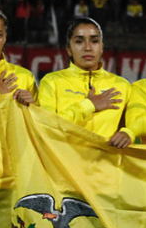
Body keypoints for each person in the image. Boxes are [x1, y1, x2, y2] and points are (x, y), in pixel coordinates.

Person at [37, 17, 132, 147]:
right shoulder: (52, 82)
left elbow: (133, 127)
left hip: (105, 165)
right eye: (79, 41)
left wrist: (128, 132)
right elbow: (46, 126)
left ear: (101, 47)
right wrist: (88, 105)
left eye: (94, 41)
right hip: (63, 165)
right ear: (69, 49)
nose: (88, 47)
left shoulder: (122, 86)